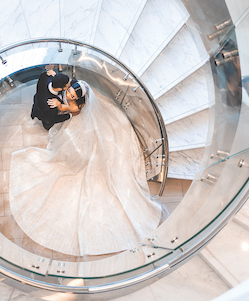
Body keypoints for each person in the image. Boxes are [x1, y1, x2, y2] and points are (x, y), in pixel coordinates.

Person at [10, 76, 163, 257]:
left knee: (74, 155)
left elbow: (69, 111)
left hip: (77, 125)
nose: (68, 94)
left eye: (72, 94)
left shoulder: (75, 107)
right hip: (78, 120)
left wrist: (60, 106)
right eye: (69, 91)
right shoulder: (77, 93)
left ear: (79, 101)